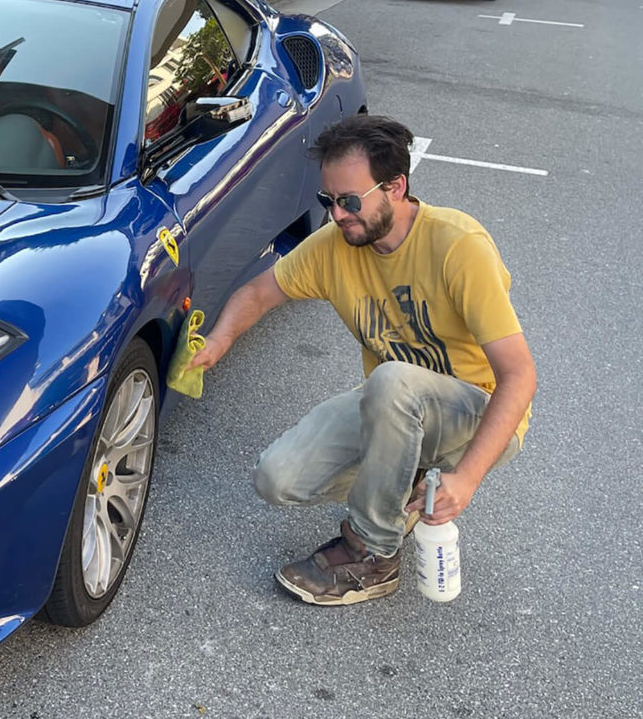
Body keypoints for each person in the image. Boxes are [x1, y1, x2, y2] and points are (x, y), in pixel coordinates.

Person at [188, 114, 536, 605]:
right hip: (392, 402)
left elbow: (520, 375)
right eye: (327, 201)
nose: (336, 215)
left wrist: (467, 479)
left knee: (393, 381)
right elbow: (260, 291)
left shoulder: (458, 246)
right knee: (276, 478)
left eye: (349, 201)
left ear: (396, 186)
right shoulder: (336, 246)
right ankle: (403, 482)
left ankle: (374, 553)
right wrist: (218, 343)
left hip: (472, 410)